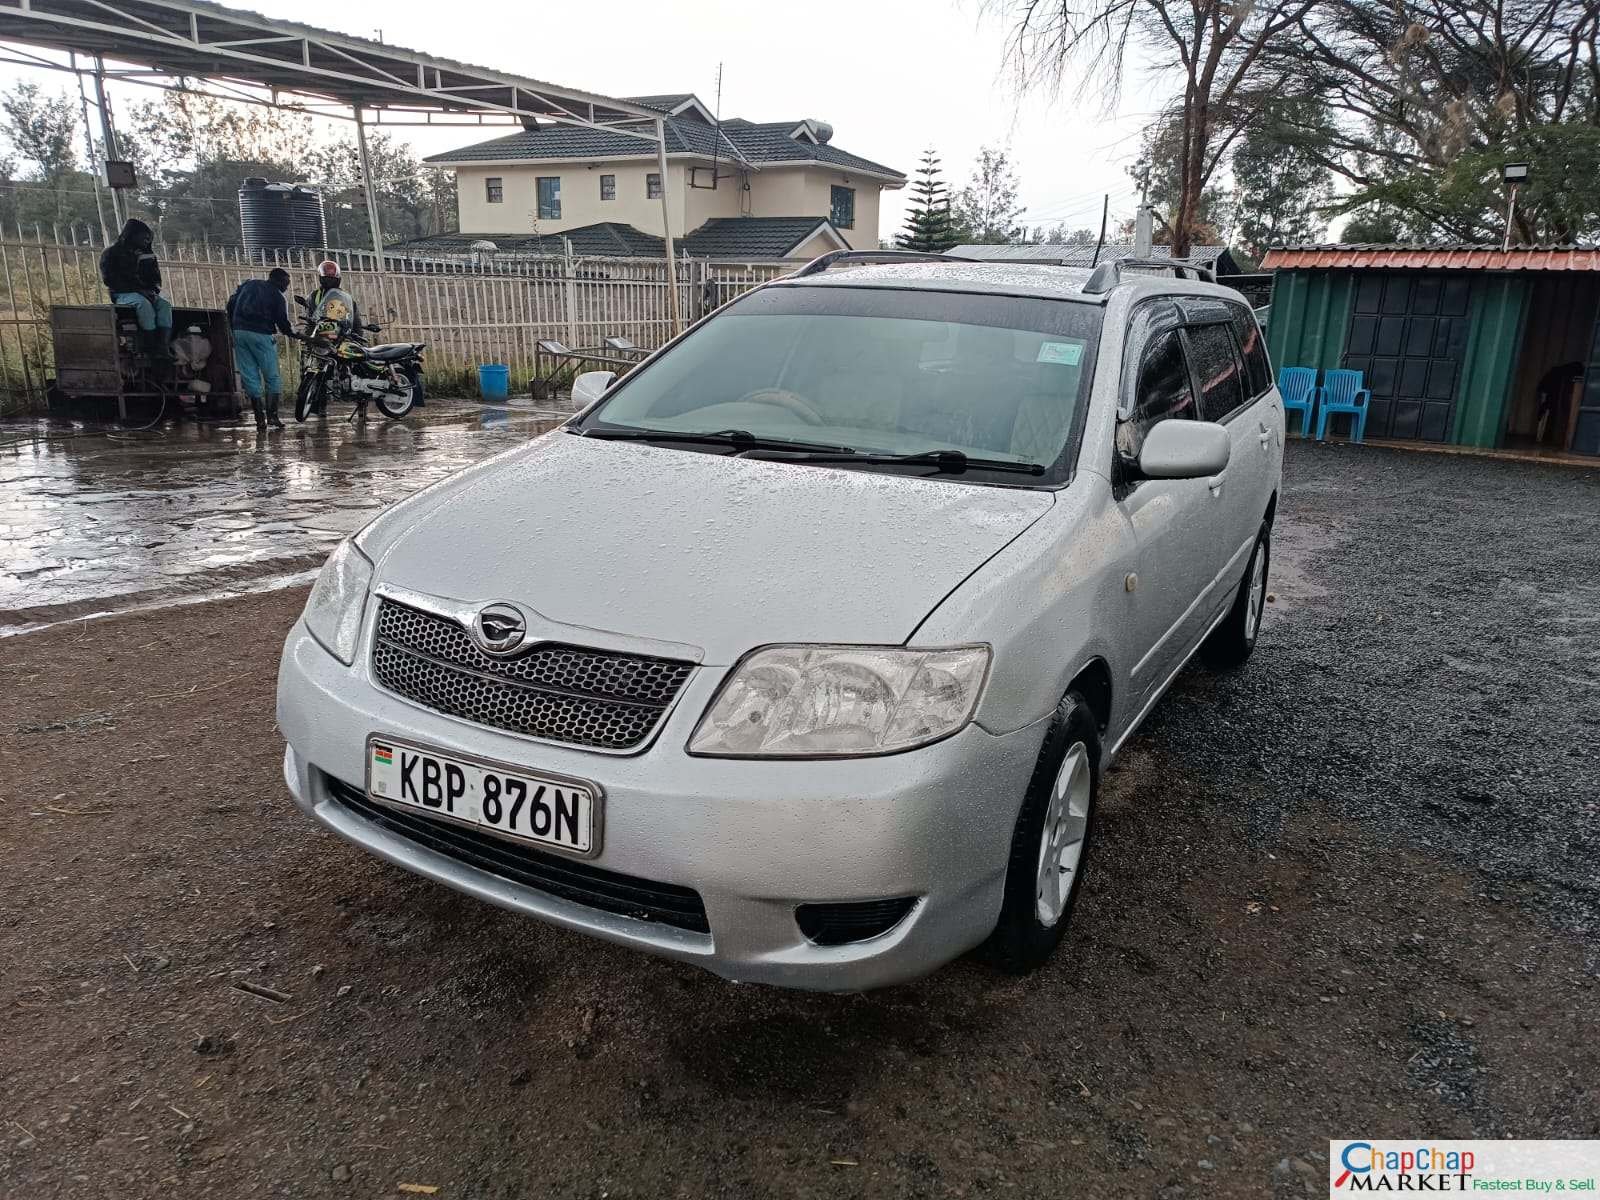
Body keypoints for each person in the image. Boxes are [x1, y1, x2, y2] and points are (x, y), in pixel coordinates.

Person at [226, 267, 293, 430]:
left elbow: (231, 304)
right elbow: (283, 323)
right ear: (278, 281)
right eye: (286, 283)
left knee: (249, 375)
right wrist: (293, 333)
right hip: (261, 335)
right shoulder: (277, 296)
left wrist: (233, 325)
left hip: (239, 332)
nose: (286, 287)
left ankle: (259, 419)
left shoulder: (249, 285)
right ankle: (272, 416)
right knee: (272, 376)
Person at [99, 218, 173, 363]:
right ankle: (150, 346)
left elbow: (156, 279)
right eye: (143, 238)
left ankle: (163, 348)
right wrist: (138, 290)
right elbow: (110, 280)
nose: (146, 241)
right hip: (122, 293)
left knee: (165, 305)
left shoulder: (147, 254)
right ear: (132, 235)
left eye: (148, 238)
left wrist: (152, 291)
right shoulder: (111, 253)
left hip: (146, 293)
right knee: (144, 305)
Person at [307, 259, 361, 415]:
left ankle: (360, 400)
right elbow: (310, 316)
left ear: (337, 278)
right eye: (327, 277)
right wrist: (308, 336)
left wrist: (357, 335)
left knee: (356, 364)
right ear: (321, 278)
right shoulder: (314, 296)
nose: (330, 280)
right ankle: (320, 405)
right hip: (321, 337)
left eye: (332, 277)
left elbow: (354, 317)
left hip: (341, 336)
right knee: (316, 369)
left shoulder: (345, 297)